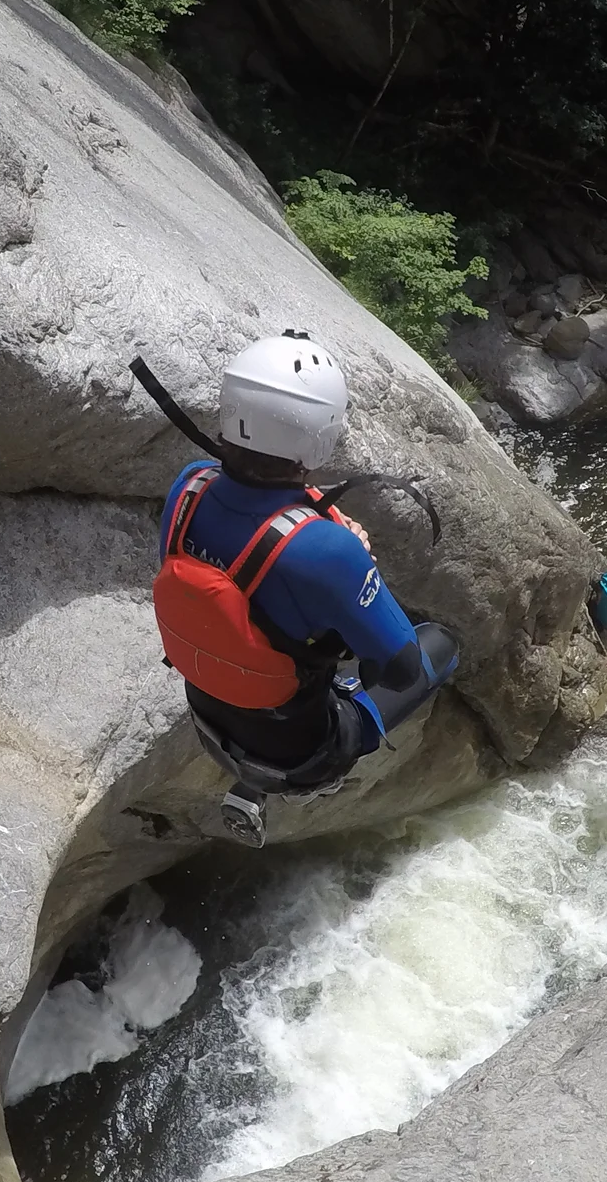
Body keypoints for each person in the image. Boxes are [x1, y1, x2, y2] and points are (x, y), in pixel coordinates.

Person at [151, 332, 460, 844]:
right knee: (441, 645)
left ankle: (255, 777)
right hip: (308, 751)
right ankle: (299, 764)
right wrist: (353, 561)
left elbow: (235, 580)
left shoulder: (190, 486)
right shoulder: (325, 550)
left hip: (208, 712)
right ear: (318, 437)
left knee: (278, 635)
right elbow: (400, 669)